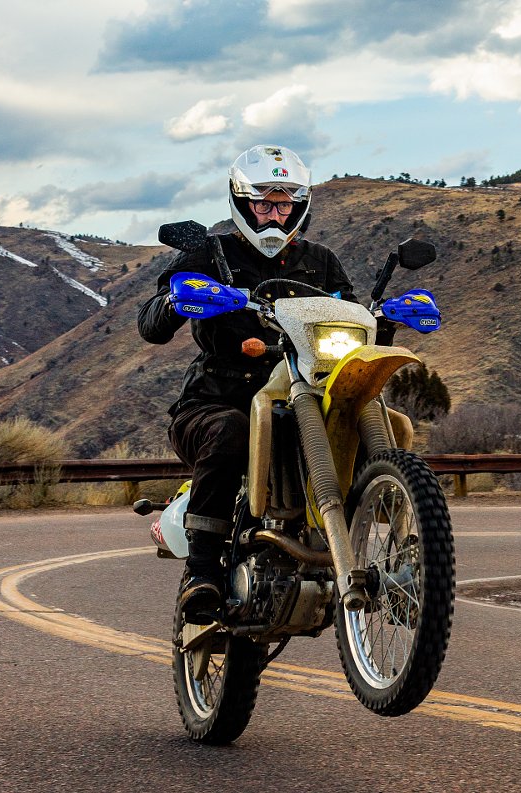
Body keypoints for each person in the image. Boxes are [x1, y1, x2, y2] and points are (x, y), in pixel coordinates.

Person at [138, 145, 357, 622]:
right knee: (232, 431)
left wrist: (385, 318)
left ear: (299, 206)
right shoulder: (210, 252)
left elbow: (354, 316)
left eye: (284, 205)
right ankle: (202, 573)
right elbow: (150, 325)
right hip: (216, 400)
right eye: (264, 204)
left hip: (303, 396)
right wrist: (181, 299)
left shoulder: (321, 262)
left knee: (359, 420)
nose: (274, 214)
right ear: (243, 202)